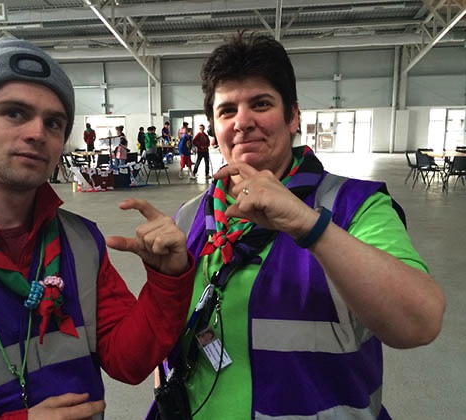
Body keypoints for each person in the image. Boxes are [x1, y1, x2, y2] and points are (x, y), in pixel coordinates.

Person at [149, 33, 445, 419]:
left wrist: (308, 225)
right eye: (227, 110)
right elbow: (170, 333)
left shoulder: (353, 206)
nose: (242, 122)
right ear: (214, 128)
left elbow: (419, 323)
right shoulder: (191, 217)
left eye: (261, 104)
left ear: (293, 117)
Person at [0, 36, 195, 419]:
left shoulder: (81, 241)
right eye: (14, 113)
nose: (37, 133)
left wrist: (168, 280)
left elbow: (129, 361)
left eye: (54, 122)